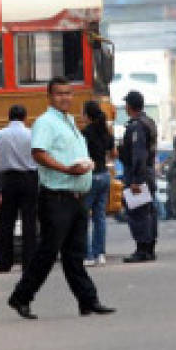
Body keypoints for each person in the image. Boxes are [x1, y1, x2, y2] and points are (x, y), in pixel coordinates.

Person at [7, 79, 115, 319]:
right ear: (49, 96)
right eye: (59, 94)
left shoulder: (70, 122)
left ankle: (88, 300)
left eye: (68, 93)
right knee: (48, 251)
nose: (64, 98)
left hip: (77, 196)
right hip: (56, 197)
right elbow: (38, 153)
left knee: (75, 254)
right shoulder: (46, 123)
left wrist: (85, 165)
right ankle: (21, 297)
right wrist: (67, 169)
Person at [0, 104, 38, 273]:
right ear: (25, 117)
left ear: (9, 117)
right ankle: (29, 261)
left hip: (6, 179)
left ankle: (4, 262)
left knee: (6, 222)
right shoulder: (32, 134)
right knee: (29, 221)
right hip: (29, 178)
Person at [120, 90, 159, 263]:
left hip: (139, 174)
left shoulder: (137, 126)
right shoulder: (148, 121)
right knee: (148, 212)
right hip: (147, 172)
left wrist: (136, 180)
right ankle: (148, 248)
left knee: (138, 213)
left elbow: (138, 154)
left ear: (130, 106)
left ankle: (142, 249)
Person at [80, 100, 114, 267]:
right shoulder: (106, 132)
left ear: (87, 115)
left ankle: (88, 255)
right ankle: (100, 253)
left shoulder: (84, 133)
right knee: (100, 216)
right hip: (104, 175)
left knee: (84, 217)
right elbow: (113, 152)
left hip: (90, 176)